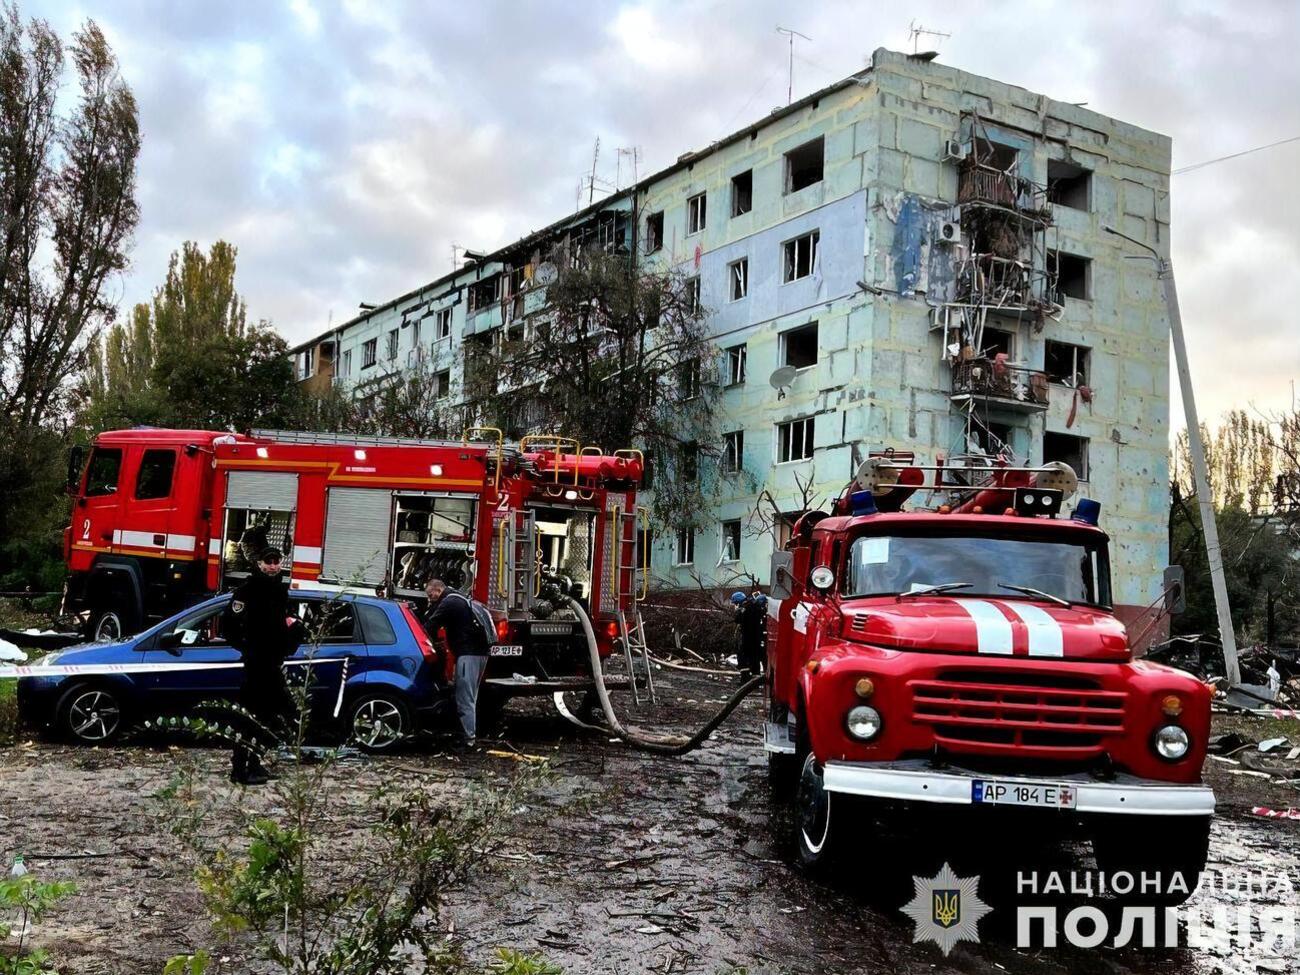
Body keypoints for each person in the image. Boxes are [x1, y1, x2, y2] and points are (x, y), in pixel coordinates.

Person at [222, 546, 301, 785]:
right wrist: (248, 649)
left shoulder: (280, 591)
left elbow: (281, 625)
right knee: (249, 718)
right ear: (259, 564)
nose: (273, 566)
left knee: (269, 717)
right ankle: (239, 769)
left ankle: (255, 765)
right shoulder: (247, 592)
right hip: (256, 666)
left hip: (273, 663)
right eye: (268, 562)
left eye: (276, 562)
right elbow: (229, 627)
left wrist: (291, 637)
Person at [423, 577, 489, 748]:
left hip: (468, 654)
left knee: (464, 697)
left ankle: (468, 740)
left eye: (431, 595)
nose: (430, 599)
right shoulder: (458, 598)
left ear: (438, 590)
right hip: (479, 654)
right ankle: (469, 734)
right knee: (471, 695)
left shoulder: (448, 602)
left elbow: (430, 625)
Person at [733, 590, 767, 679]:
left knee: (743, 657)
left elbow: (738, 619)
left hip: (748, 637)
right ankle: (756, 677)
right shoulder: (755, 606)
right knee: (755, 658)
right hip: (757, 637)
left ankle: (745, 677)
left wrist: (738, 611)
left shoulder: (745, 608)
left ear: (738, 602)